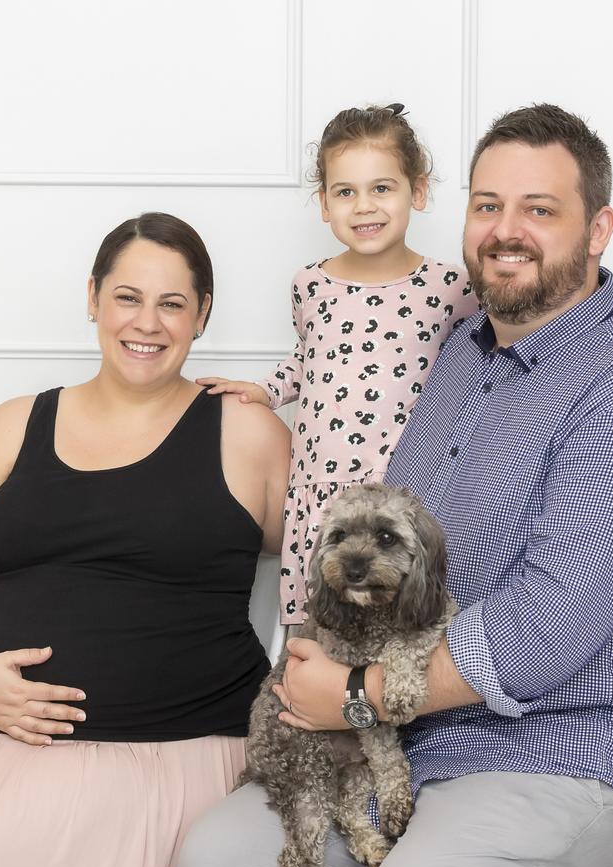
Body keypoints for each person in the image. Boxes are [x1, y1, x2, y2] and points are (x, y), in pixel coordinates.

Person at [177, 105, 613, 867]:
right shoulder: (458, 351)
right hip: (411, 746)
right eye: (487, 205)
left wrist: (355, 694)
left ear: (600, 229)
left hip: (561, 751)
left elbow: (548, 622)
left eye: (540, 209)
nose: (506, 231)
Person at [0, 212, 290, 867]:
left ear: (204, 314)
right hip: (8, 752)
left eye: (173, 304)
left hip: (181, 758)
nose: (146, 324)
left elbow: (333, 576)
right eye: (127, 297)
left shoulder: (248, 434)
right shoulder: (15, 424)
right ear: (91, 298)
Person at [200, 103, 477, 624]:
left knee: (401, 623)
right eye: (345, 192)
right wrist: (265, 391)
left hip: (401, 485)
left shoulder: (450, 288)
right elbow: (310, 359)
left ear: (416, 191)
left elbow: (476, 374)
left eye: (382, 188)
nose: (364, 206)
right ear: (324, 203)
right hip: (322, 491)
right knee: (318, 626)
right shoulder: (311, 283)